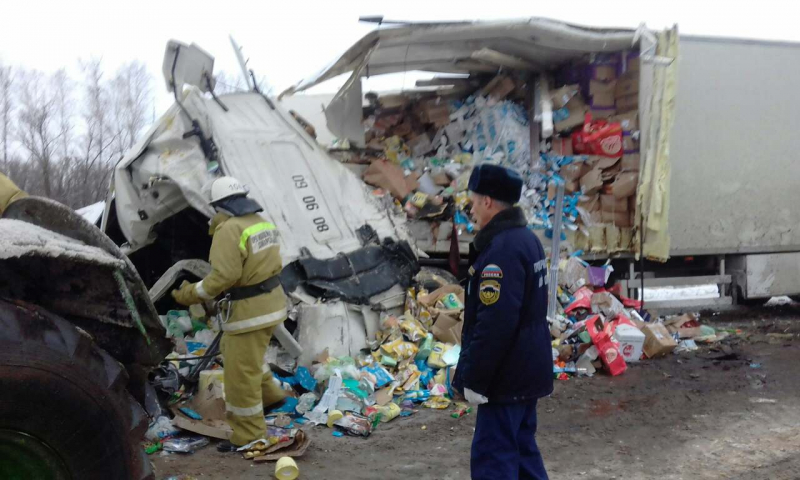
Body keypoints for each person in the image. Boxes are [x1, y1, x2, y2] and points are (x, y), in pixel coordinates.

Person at [172, 176, 288, 452]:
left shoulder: (229, 229)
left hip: (249, 312)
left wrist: (188, 293)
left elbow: (223, 277)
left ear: (217, 206)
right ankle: (271, 395)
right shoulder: (262, 222)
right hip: (270, 305)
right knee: (246, 357)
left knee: (239, 375)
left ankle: (249, 434)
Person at [453, 164, 553, 480]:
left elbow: (495, 323)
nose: (470, 208)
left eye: (473, 200)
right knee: (522, 454)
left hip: (506, 377)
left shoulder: (502, 250)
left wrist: (474, 379)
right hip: (527, 369)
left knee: (493, 460)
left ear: (488, 201)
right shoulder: (527, 239)